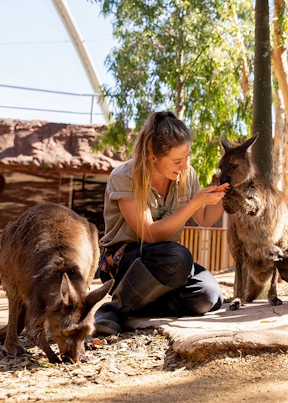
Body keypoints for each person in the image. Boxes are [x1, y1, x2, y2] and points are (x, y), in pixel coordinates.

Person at [94, 111, 228, 335]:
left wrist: (227, 196)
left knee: (208, 294)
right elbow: (149, 235)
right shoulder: (124, 176)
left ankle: (141, 306)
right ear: (152, 156)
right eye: (177, 161)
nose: (184, 166)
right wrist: (195, 203)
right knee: (177, 257)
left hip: (168, 265)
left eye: (186, 157)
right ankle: (114, 308)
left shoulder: (186, 175)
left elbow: (205, 218)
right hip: (127, 261)